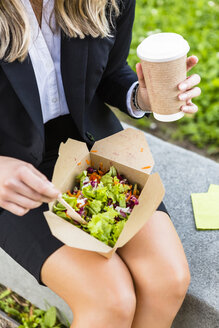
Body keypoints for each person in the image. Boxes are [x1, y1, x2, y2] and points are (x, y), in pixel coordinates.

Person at [0, 0, 201, 327]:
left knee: (168, 280)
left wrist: (140, 96)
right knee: (110, 301)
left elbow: (108, 72)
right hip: (13, 172)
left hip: (92, 149)